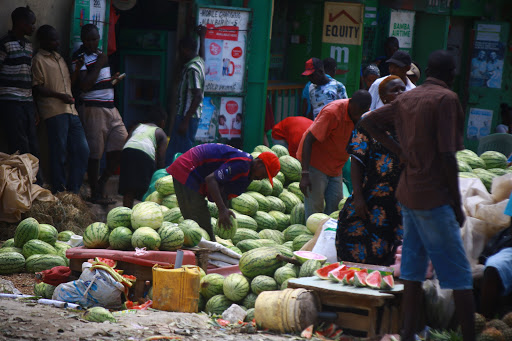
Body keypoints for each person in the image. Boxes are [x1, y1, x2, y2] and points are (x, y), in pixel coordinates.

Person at [360, 50, 475, 341]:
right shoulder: (446, 100)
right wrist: (457, 203)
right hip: (434, 196)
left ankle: (407, 334)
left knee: (411, 271)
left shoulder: (408, 98)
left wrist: (400, 152)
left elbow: (368, 122)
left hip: (408, 194)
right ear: (452, 73)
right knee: (460, 275)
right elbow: (448, 156)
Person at [336, 76, 406, 265]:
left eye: (402, 89)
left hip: (401, 199)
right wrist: (357, 196)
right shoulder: (368, 121)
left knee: (398, 253)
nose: (400, 93)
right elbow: (357, 159)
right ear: (383, 97)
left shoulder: (411, 122)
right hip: (372, 195)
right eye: (394, 90)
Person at [166, 144, 280, 240]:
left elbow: (224, 190)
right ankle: (201, 258)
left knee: (201, 225)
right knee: (197, 222)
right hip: (188, 168)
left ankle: (206, 254)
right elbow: (211, 180)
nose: (262, 178)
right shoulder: (242, 164)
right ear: (259, 163)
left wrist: (225, 209)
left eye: (266, 178)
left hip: (196, 172)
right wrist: (222, 209)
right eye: (264, 174)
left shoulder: (247, 173)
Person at [72, 24, 128, 205]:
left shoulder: (99, 54)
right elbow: (85, 85)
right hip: (93, 108)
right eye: (88, 39)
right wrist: (100, 63)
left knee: (121, 140)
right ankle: (94, 192)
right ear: (83, 40)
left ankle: (102, 181)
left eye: (94, 39)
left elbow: (97, 81)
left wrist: (111, 81)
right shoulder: (80, 56)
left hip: (111, 107)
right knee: (95, 151)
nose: (92, 43)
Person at [32, 25, 89, 194]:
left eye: (57, 39)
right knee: (59, 152)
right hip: (54, 111)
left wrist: (77, 70)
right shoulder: (38, 60)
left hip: (71, 111)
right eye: (53, 39)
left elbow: (68, 83)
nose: (57, 43)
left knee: (82, 149)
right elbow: (37, 88)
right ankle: (59, 191)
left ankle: (73, 191)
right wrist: (60, 96)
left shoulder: (59, 58)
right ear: (43, 41)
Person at [298, 90, 372, 220]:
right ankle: (311, 238)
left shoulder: (364, 115)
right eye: (356, 113)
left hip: (336, 166)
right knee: (315, 209)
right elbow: (309, 139)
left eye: (361, 113)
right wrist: (305, 174)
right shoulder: (332, 112)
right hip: (316, 163)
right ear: (351, 103)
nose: (357, 116)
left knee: (335, 206)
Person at [0, 6, 43, 184]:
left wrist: (33, 107)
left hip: (26, 101)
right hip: (10, 101)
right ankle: (24, 184)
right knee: (19, 145)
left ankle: (35, 184)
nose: (33, 28)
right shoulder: (5, 44)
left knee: (33, 143)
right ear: (19, 23)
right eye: (30, 24)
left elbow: (29, 78)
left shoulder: (29, 46)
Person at [165, 26, 206, 165]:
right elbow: (203, 56)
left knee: (179, 153)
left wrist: (185, 121)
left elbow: (198, 96)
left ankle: (172, 179)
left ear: (184, 49)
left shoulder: (192, 69)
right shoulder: (199, 62)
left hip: (186, 115)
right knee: (181, 151)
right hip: (190, 116)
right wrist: (202, 38)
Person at [119, 106, 167, 208]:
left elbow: (127, 142)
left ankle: (126, 211)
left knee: (128, 188)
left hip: (127, 152)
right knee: (146, 189)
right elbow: (161, 159)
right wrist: (159, 174)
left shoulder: (137, 126)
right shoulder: (160, 132)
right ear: (162, 122)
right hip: (145, 155)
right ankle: (143, 213)